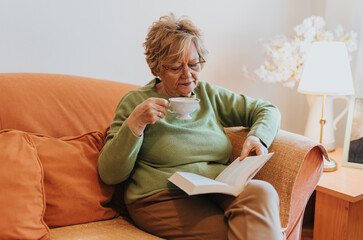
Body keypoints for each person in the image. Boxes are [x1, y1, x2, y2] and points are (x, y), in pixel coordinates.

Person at [98, 13, 282, 240]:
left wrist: (258, 138)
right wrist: (136, 123)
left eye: (194, 64)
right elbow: (110, 173)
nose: (188, 75)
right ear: (157, 68)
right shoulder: (136, 103)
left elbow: (267, 110)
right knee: (236, 233)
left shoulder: (209, 95)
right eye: (176, 67)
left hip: (216, 188)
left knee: (262, 191)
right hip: (160, 196)